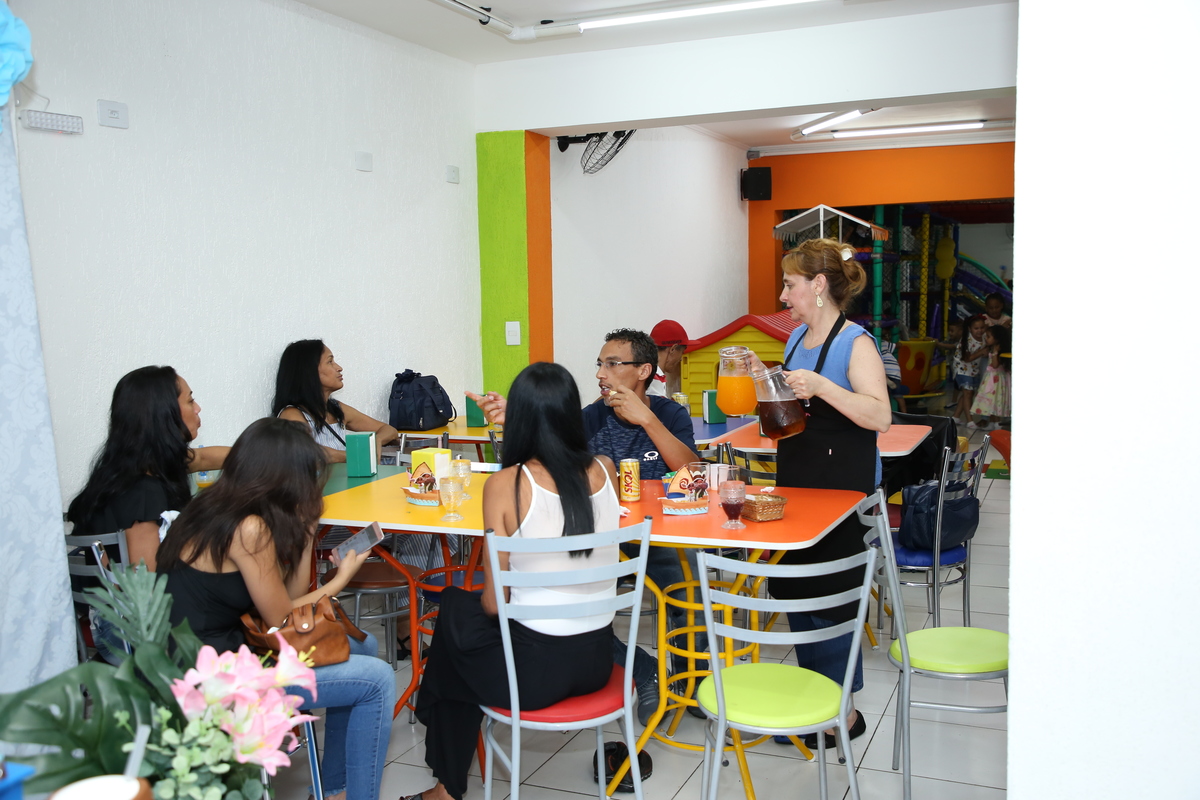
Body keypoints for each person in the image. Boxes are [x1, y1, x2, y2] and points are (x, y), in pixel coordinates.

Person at [401, 363, 619, 800]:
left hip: (536, 676)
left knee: (455, 616)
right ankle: (444, 781)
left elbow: (494, 605)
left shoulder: (505, 484)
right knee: (459, 626)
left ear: (518, 417)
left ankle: (445, 785)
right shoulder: (606, 469)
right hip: (597, 661)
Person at [466, 329, 702, 725]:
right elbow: (547, 458)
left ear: (644, 371)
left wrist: (647, 420)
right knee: (574, 598)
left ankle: (693, 679)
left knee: (686, 578)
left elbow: (693, 472)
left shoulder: (669, 413)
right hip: (597, 534)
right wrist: (521, 416)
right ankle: (642, 669)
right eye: (599, 364)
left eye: (612, 364)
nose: (600, 374)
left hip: (656, 530)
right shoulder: (590, 417)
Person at [158, 418, 395, 800]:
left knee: (363, 645)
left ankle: (333, 789)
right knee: (378, 680)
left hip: (222, 650)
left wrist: (307, 534)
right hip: (215, 679)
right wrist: (340, 580)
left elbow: (284, 600)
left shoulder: (213, 506)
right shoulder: (249, 528)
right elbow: (281, 619)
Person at [768, 238, 891, 749]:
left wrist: (821, 386)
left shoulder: (855, 343)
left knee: (835, 597)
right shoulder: (797, 338)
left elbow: (879, 416)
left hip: (842, 493)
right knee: (797, 589)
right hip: (799, 483)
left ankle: (845, 711)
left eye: (790, 285)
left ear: (818, 285)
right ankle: (817, 701)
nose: (783, 295)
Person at [66, 366, 228, 661]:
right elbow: (149, 590)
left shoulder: (130, 468)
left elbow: (204, 457)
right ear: (164, 414)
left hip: (115, 625)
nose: (198, 408)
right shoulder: (143, 491)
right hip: (134, 637)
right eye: (190, 400)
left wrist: (263, 453)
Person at [272, 339, 398, 463]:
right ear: (309, 371)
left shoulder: (337, 408)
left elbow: (389, 430)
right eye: (330, 362)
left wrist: (376, 441)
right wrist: (358, 455)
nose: (339, 368)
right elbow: (310, 452)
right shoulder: (291, 414)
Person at [969, 325, 1012, 430]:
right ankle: (992, 422)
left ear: (997, 338)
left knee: (995, 400)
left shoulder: (998, 349)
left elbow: (995, 365)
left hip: (996, 380)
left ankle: (997, 423)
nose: (986, 339)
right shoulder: (992, 348)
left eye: (988, 336)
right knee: (991, 401)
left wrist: (995, 353)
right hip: (991, 378)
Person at [951, 315, 989, 426]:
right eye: (976, 328)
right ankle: (970, 421)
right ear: (970, 329)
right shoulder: (967, 340)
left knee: (968, 393)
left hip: (973, 369)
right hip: (962, 369)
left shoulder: (985, 337)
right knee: (967, 393)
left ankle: (956, 417)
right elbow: (967, 359)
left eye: (982, 327)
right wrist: (981, 352)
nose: (979, 330)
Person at [648, 319, 692, 397]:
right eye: (682, 352)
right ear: (673, 349)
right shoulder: (653, 381)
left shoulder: (648, 373)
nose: (681, 359)